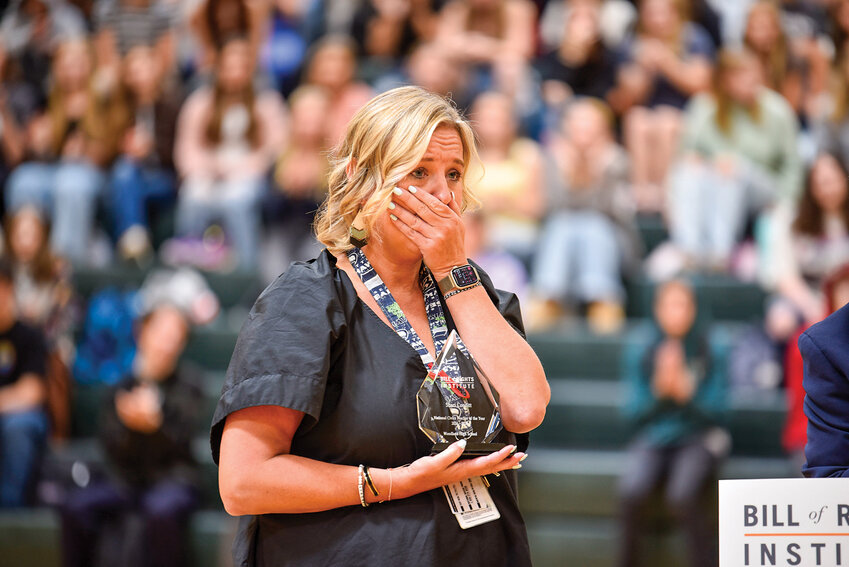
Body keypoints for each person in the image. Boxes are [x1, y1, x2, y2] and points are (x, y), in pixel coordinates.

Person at [212, 86, 549, 566]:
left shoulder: (474, 291)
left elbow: (525, 408)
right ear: (360, 178)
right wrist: (393, 483)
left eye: (453, 174)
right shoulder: (305, 300)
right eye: (419, 172)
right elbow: (244, 483)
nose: (443, 194)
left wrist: (455, 273)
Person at [60, 303, 202, 567]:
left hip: (173, 479)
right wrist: (131, 427)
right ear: (142, 331)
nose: (168, 343)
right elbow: (111, 447)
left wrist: (154, 426)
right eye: (163, 332)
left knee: (160, 510)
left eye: (176, 337)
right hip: (126, 480)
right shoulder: (120, 386)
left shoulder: (190, 385)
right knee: (75, 506)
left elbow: (182, 446)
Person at [617, 279, 727, 567]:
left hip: (698, 436)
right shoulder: (641, 348)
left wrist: (687, 395)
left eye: (682, 305)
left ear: (694, 309)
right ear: (657, 309)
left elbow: (721, 412)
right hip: (655, 436)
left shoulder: (711, 346)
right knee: (631, 491)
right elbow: (631, 413)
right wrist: (659, 392)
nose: (674, 313)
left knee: (682, 495)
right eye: (668, 305)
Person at [667, 48, 802, 271]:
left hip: (765, 189)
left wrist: (786, 202)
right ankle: (689, 250)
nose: (748, 80)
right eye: (740, 75)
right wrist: (700, 161)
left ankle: (720, 254)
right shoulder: (704, 107)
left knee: (732, 169)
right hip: (714, 186)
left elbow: (792, 164)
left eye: (752, 74)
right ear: (724, 79)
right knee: (689, 171)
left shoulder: (776, 110)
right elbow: (687, 153)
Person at [173, 36, 287, 270]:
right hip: (207, 170)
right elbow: (186, 146)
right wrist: (204, 167)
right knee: (192, 197)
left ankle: (246, 268)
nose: (234, 74)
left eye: (240, 67)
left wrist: (242, 168)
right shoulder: (201, 101)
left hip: (248, 172)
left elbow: (275, 148)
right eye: (229, 67)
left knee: (236, 202)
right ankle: (188, 266)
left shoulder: (266, 102)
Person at [531, 98, 635, 333]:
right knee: (562, 224)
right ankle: (548, 298)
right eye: (578, 127)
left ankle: (602, 299)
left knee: (592, 225)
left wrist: (594, 173)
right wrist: (570, 173)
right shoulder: (553, 159)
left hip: (611, 239)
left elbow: (614, 213)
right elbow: (550, 209)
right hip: (562, 239)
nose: (583, 136)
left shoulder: (617, 161)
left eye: (590, 128)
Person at [615, 0, 714, 212]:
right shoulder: (632, 43)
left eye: (663, 13)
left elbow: (702, 85)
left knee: (666, 122)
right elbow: (626, 100)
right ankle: (641, 196)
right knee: (636, 120)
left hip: (686, 116)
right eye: (652, 14)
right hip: (647, 116)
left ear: (676, 13)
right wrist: (644, 69)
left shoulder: (694, 37)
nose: (658, 20)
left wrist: (667, 62)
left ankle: (666, 195)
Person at [0, 258, 49, 508]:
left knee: (17, 426)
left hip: (24, 417)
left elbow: (32, 392)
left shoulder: (28, 335)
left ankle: (10, 515)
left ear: (8, 289)